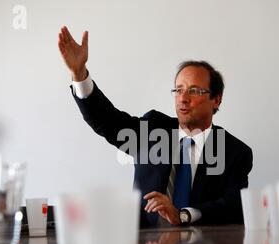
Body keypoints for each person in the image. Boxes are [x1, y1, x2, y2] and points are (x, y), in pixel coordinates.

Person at [58, 26, 253, 228]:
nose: (183, 98)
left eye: (194, 91)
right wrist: (79, 73)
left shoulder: (235, 153)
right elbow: (107, 121)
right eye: (179, 90)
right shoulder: (152, 130)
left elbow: (234, 207)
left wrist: (183, 215)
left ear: (216, 100)